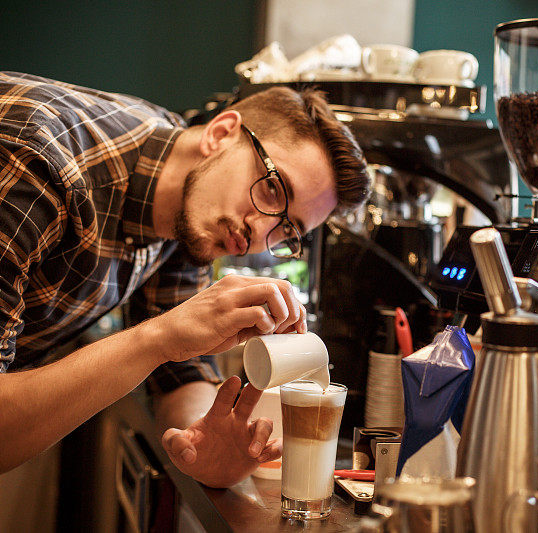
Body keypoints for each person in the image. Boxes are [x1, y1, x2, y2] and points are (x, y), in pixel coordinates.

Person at [0, 72, 370, 488]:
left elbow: (181, 370)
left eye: (286, 231)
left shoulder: (196, 207)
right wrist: (158, 338)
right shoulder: (34, 164)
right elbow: (166, 340)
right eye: (271, 188)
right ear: (220, 133)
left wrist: (206, 437)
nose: (258, 235)